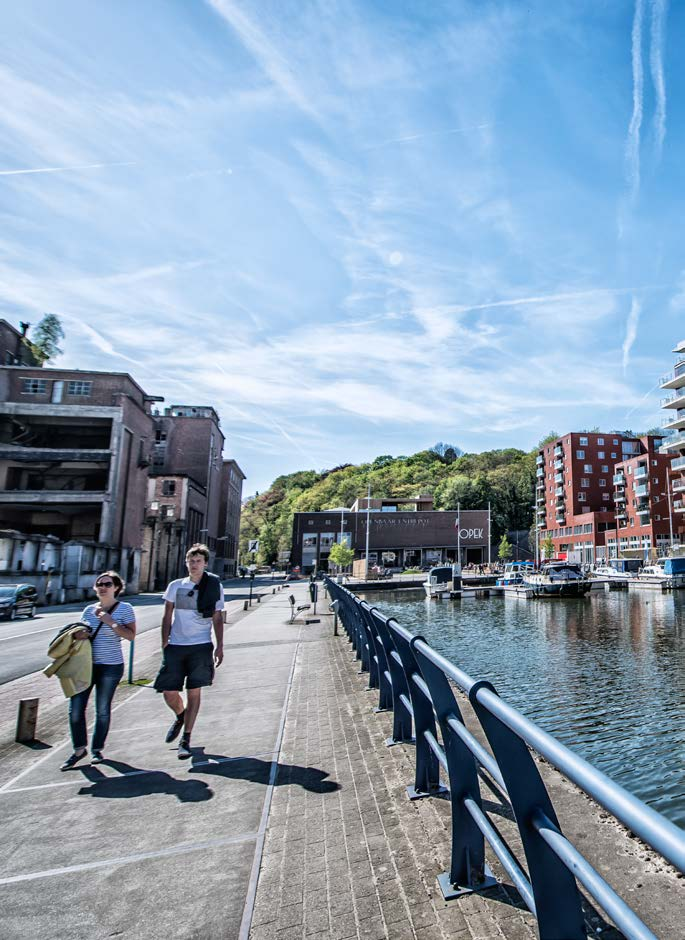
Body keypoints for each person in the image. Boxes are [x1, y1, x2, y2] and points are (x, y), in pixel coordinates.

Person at [153, 543, 224, 759]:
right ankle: (181, 715)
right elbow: (167, 615)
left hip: (201, 645)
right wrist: (164, 642)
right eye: (191, 561)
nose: (194, 565)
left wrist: (220, 645)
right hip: (176, 645)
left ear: (205, 564)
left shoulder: (213, 586)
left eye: (198, 561)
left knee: (194, 691)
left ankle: (187, 737)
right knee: (168, 691)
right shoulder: (176, 586)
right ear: (186, 563)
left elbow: (218, 617)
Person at [61, 571, 136, 770]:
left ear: (116, 588)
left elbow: (130, 636)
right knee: (75, 710)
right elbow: (80, 632)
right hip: (85, 666)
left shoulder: (125, 609)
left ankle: (97, 750)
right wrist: (78, 634)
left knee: (102, 710)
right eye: (99, 584)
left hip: (110, 666)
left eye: (107, 584)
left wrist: (110, 621)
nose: (102, 587)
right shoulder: (88, 610)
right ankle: (79, 749)